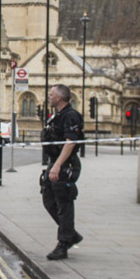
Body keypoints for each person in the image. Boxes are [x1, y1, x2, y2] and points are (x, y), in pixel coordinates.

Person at [41, 84, 85, 261]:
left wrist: (58, 165)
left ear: (59, 98)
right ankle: (70, 234)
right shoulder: (57, 116)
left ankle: (63, 244)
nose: (49, 96)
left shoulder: (71, 116)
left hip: (65, 164)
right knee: (48, 199)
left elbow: (71, 142)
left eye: (51, 94)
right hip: (55, 162)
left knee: (63, 203)